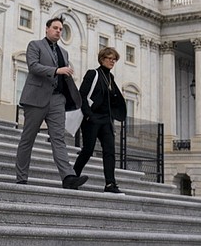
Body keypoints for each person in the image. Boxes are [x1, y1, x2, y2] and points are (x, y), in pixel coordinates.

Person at [15, 16, 89, 189]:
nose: (58, 31)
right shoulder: (35, 45)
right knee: (28, 139)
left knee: (59, 139)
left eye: (61, 29)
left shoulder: (64, 53)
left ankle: (68, 177)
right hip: (36, 98)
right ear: (47, 29)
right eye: (55, 28)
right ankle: (21, 177)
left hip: (57, 100)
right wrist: (57, 70)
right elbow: (33, 66)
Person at [73, 46, 127, 194]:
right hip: (92, 119)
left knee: (109, 151)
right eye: (109, 58)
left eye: (114, 59)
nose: (112, 61)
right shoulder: (93, 74)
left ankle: (110, 184)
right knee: (88, 150)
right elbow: (81, 95)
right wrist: (89, 115)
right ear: (102, 59)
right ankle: (72, 176)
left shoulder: (111, 78)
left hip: (106, 121)